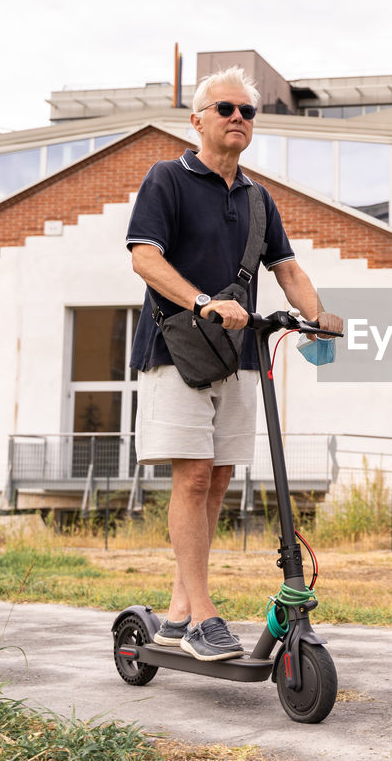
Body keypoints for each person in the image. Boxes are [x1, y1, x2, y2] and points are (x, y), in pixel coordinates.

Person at [125, 66, 342, 661]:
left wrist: (317, 315)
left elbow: (287, 269)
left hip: (240, 355)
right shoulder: (167, 178)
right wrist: (202, 301)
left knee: (218, 478)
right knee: (193, 475)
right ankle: (202, 616)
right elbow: (145, 259)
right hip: (177, 350)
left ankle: (175, 613)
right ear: (197, 119)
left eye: (247, 111)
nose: (239, 118)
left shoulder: (257, 197)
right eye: (226, 109)